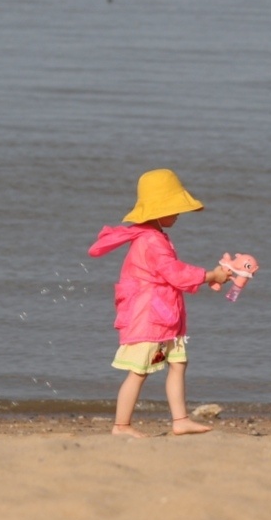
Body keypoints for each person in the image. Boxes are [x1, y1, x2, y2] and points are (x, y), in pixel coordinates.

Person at [88, 169, 231, 437]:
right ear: (157, 210)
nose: (178, 214)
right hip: (149, 317)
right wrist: (211, 275)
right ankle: (121, 425)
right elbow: (175, 273)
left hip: (164, 316)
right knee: (138, 371)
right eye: (173, 208)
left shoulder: (153, 236)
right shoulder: (151, 241)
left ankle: (180, 420)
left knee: (178, 363)